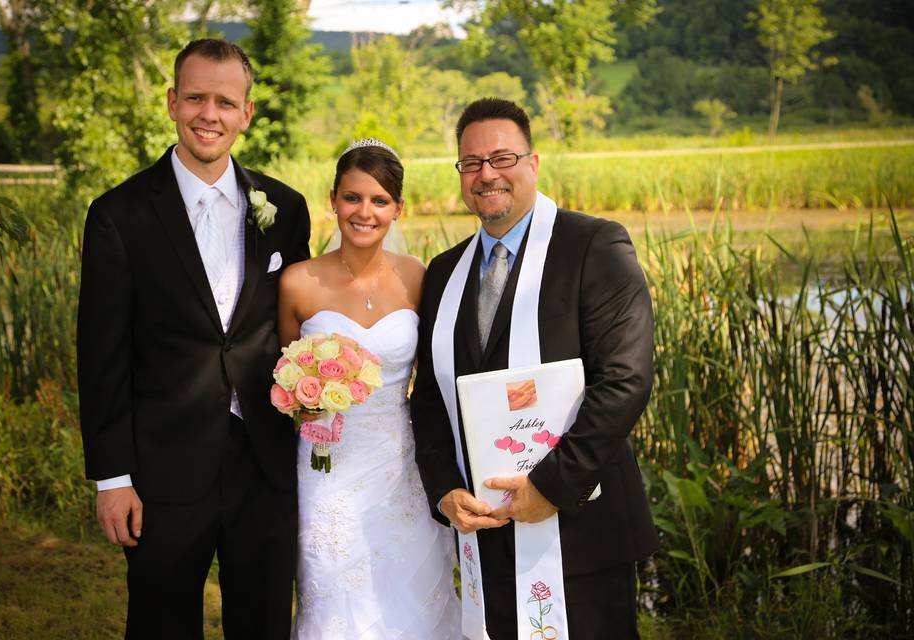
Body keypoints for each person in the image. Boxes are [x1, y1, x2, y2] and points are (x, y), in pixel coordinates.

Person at [77, 39, 311, 639]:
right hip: (163, 469)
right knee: (161, 624)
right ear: (172, 102)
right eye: (197, 98)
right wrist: (112, 478)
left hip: (263, 463)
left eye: (226, 102)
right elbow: (101, 356)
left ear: (246, 114)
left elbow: (297, 330)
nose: (210, 114)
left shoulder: (284, 209)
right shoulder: (118, 214)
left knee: (262, 624)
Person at [410, 97, 659, 638]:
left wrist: (551, 485)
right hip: (484, 525)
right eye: (471, 163)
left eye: (503, 157)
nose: (487, 174)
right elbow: (429, 396)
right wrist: (445, 488)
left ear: (534, 163)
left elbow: (625, 379)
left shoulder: (595, 245)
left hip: (578, 523)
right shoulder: (444, 271)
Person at [278, 139, 460, 638]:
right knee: (334, 591)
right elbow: (280, 376)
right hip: (325, 467)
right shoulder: (298, 282)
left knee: (410, 596)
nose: (365, 212)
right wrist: (305, 403)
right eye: (353, 197)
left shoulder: (418, 277)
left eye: (380, 201)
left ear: (398, 209)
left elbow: (433, 381)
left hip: (399, 464)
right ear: (332, 198)